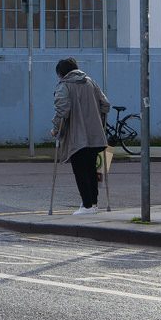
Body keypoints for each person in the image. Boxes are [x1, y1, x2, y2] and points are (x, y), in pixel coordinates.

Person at [49, 56, 110, 214]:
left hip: (77, 137)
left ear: (61, 73)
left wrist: (56, 129)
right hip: (96, 135)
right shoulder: (90, 81)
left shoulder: (64, 85)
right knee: (92, 169)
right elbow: (105, 104)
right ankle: (94, 204)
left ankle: (87, 205)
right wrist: (98, 121)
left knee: (80, 171)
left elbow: (62, 110)